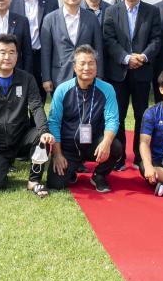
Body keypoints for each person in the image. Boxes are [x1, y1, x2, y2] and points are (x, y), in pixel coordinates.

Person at [0, 34, 53, 197]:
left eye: (12, 52)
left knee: (42, 138)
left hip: (20, 138)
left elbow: (36, 107)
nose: (7, 57)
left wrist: (44, 131)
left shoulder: (27, 79)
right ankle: (2, 165)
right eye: (2, 52)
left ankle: (34, 180)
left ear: (17, 56)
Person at [102, 0, 162, 169]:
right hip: (118, 73)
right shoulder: (111, 11)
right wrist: (126, 58)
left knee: (141, 115)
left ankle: (138, 156)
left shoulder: (151, 11)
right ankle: (118, 157)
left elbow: (156, 39)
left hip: (142, 72)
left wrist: (143, 57)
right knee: (117, 115)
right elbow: (109, 40)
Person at [46, 45, 121, 193]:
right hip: (69, 146)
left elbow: (112, 119)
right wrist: (57, 154)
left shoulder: (107, 89)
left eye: (91, 63)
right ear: (74, 67)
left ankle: (99, 175)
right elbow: (54, 122)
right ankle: (71, 169)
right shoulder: (62, 89)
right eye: (82, 63)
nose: (87, 67)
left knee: (115, 147)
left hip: (94, 143)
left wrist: (106, 143)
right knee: (55, 184)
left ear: (96, 66)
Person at [40, 0, 103, 94]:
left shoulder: (91, 18)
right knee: (62, 110)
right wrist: (46, 78)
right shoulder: (50, 19)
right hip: (59, 75)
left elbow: (98, 48)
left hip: (86, 74)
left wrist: (99, 74)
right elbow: (46, 52)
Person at [11, 0, 59, 90]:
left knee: (39, 95)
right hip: (18, 56)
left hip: (41, 56)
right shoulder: (12, 1)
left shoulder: (51, 2)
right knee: (18, 94)